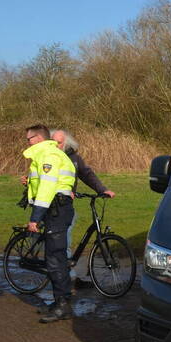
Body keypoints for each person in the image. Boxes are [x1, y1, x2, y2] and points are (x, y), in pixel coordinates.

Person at [23, 124, 77, 323]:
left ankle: (63, 306)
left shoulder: (49, 156)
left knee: (55, 259)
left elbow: (46, 187)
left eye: (28, 139)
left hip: (57, 210)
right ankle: (59, 301)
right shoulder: (48, 155)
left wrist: (35, 217)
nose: (27, 143)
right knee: (56, 258)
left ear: (38, 138)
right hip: (56, 210)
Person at [50, 129, 115, 287]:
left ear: (66, 143)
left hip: (66, 205)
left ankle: (68, 276)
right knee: (63, 240)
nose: (55, 145)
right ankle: (68, 280)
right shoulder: (48, 157)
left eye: (58, 142)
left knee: (65, 240)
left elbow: (87, 174)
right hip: (51, 205)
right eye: (52, 141)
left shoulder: (74, 158)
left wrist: (102, 190)